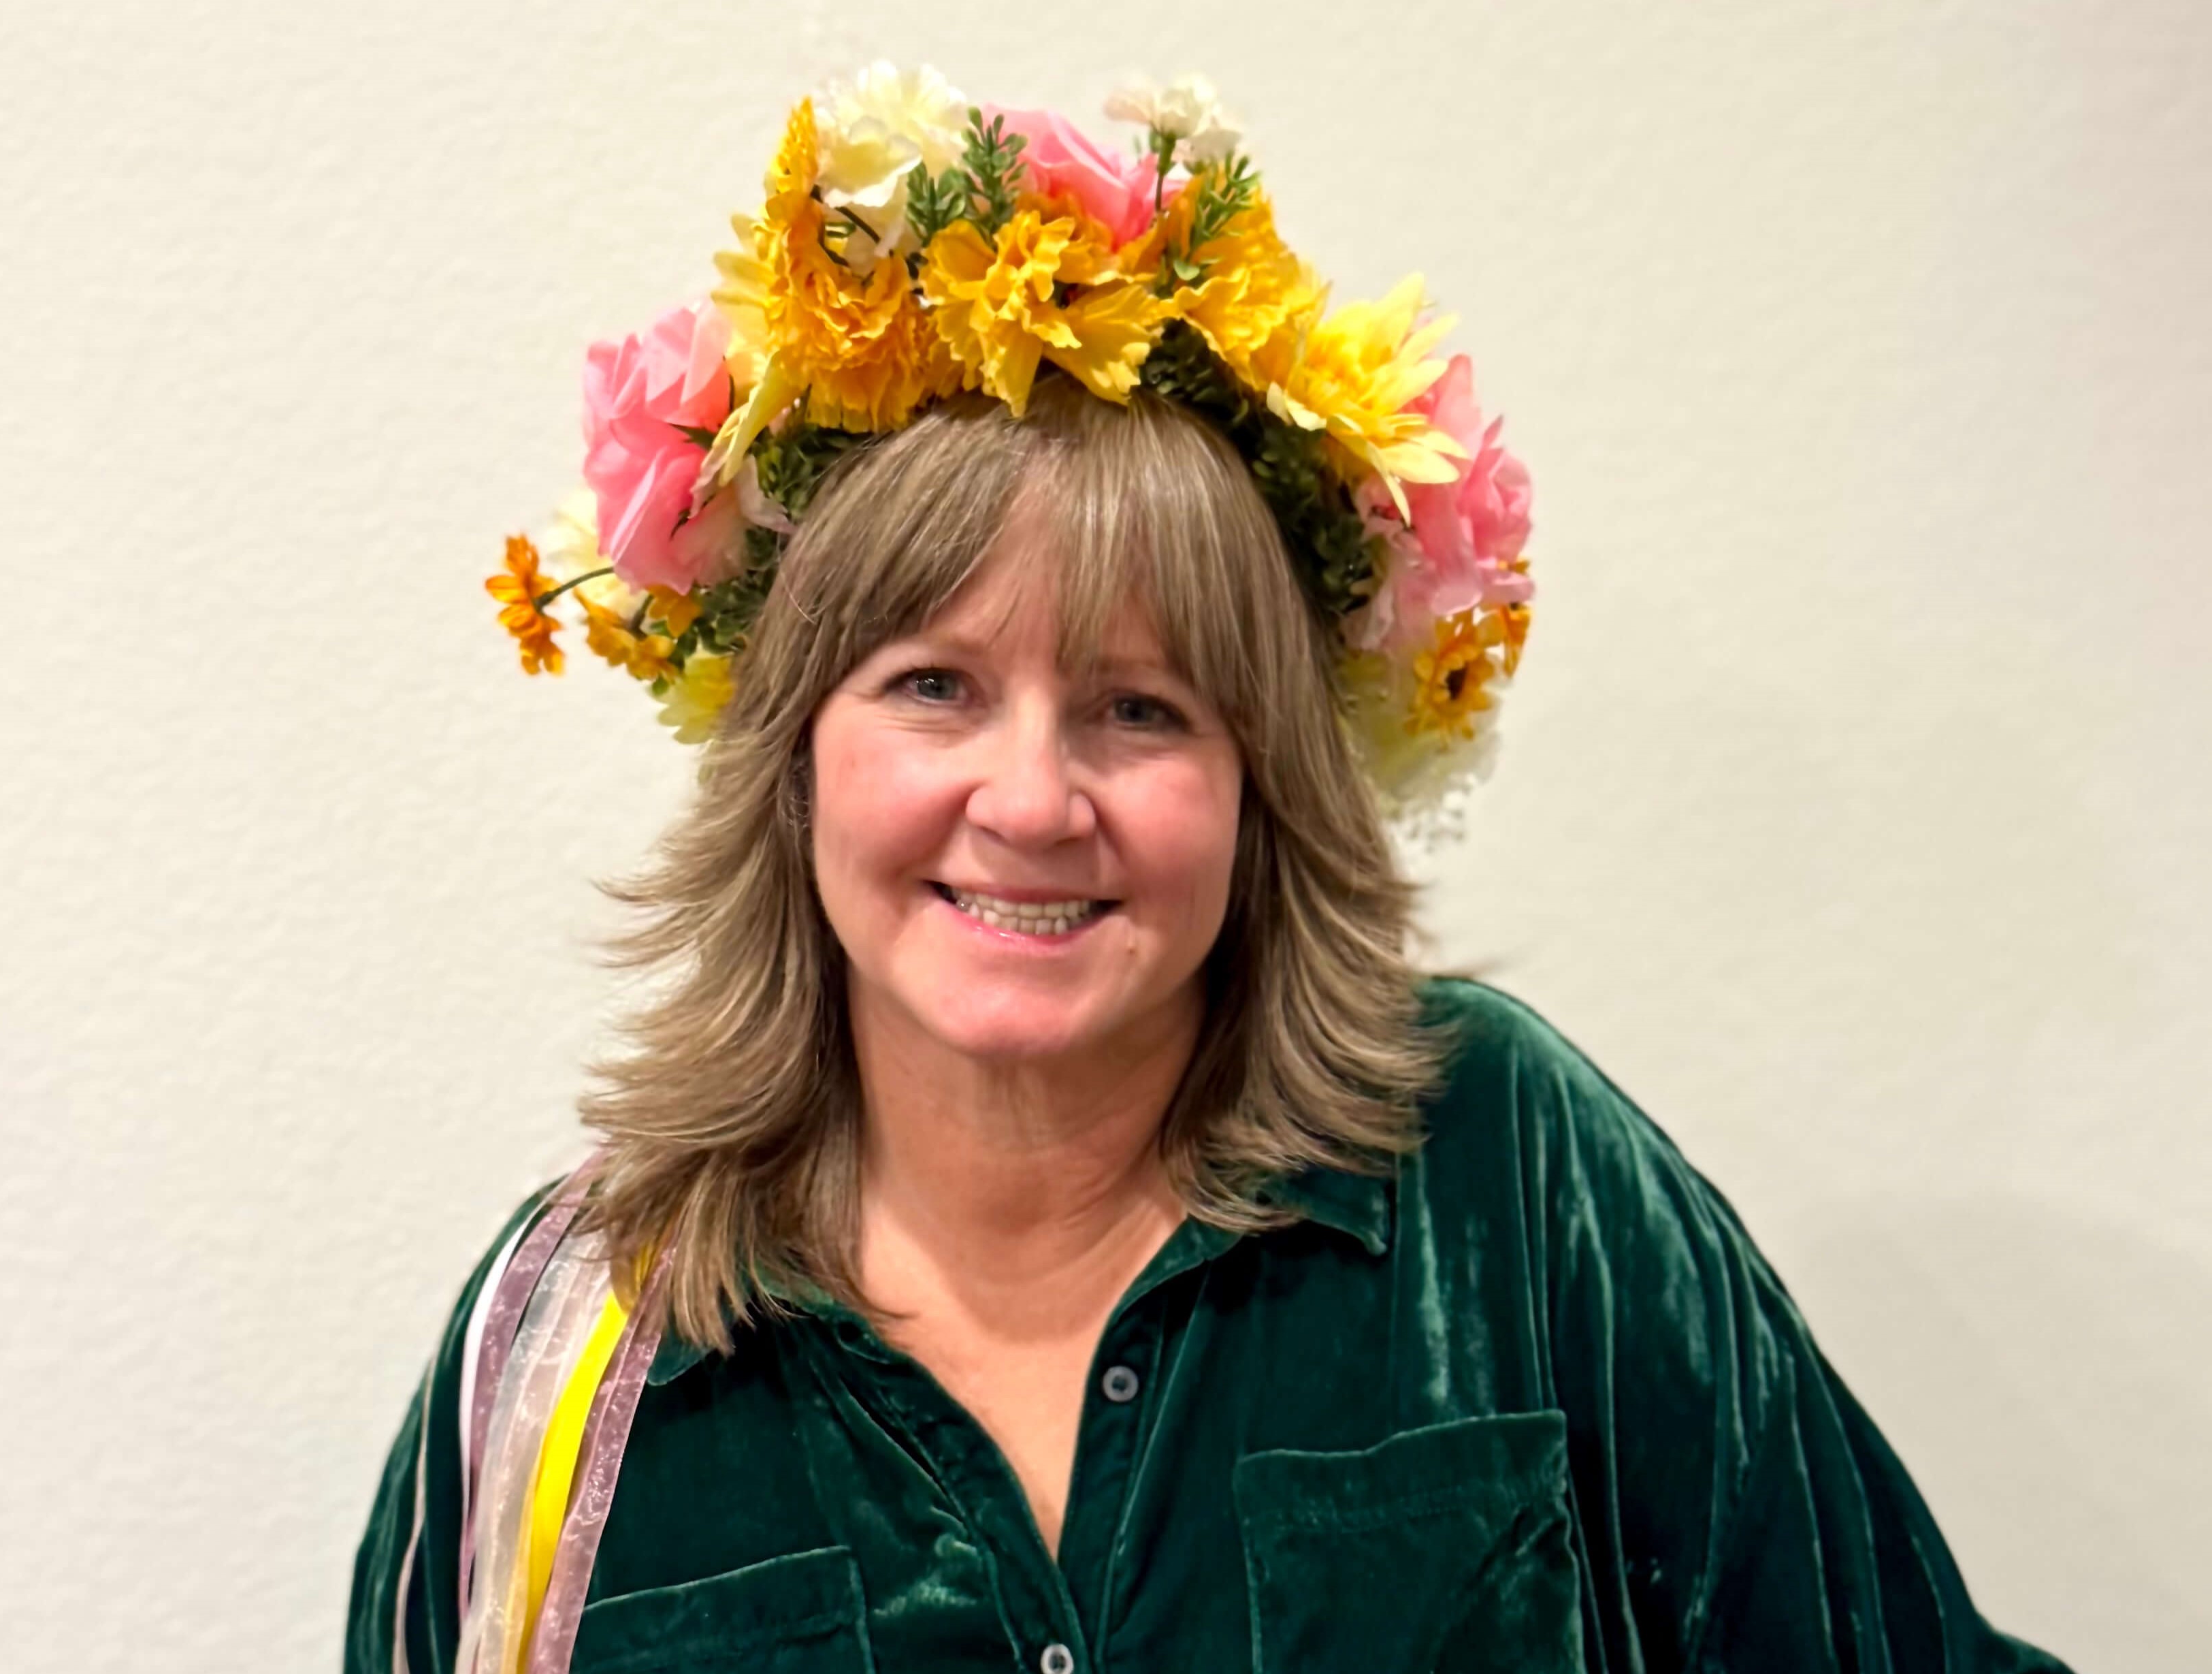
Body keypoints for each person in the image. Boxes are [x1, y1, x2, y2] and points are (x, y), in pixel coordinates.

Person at [356, 66, 2076, 1674]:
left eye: (1139, 708)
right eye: (933, 687)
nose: (1031, 801)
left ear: (1264, 784)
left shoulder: (1503, 1174)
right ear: (794, 755)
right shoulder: (566, 1356)